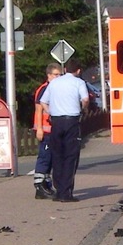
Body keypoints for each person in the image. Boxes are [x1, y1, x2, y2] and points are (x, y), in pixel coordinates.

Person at [39, 57, 90, 203]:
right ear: (78, 71)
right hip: (71, 122)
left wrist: (50, 112)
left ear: (65, 69)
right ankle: (66, 192)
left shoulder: (54, 83)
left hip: (56, 122)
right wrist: (83, 109)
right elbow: (85, 100)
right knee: (70, 156)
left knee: (57, 155)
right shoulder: (79, 82)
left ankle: (58, 190)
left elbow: (43, 101)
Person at [33, 62, 62, 198]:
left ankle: (46, 184)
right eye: (56, 75)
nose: (59, 77)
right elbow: (38, 110)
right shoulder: (44, 89)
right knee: (44, 157)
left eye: (60, 74)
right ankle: (39, 186)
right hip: (45, 129)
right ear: (49, 75)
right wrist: (39, 128)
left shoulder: (54, 88)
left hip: (52, 128)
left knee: (51, 158)